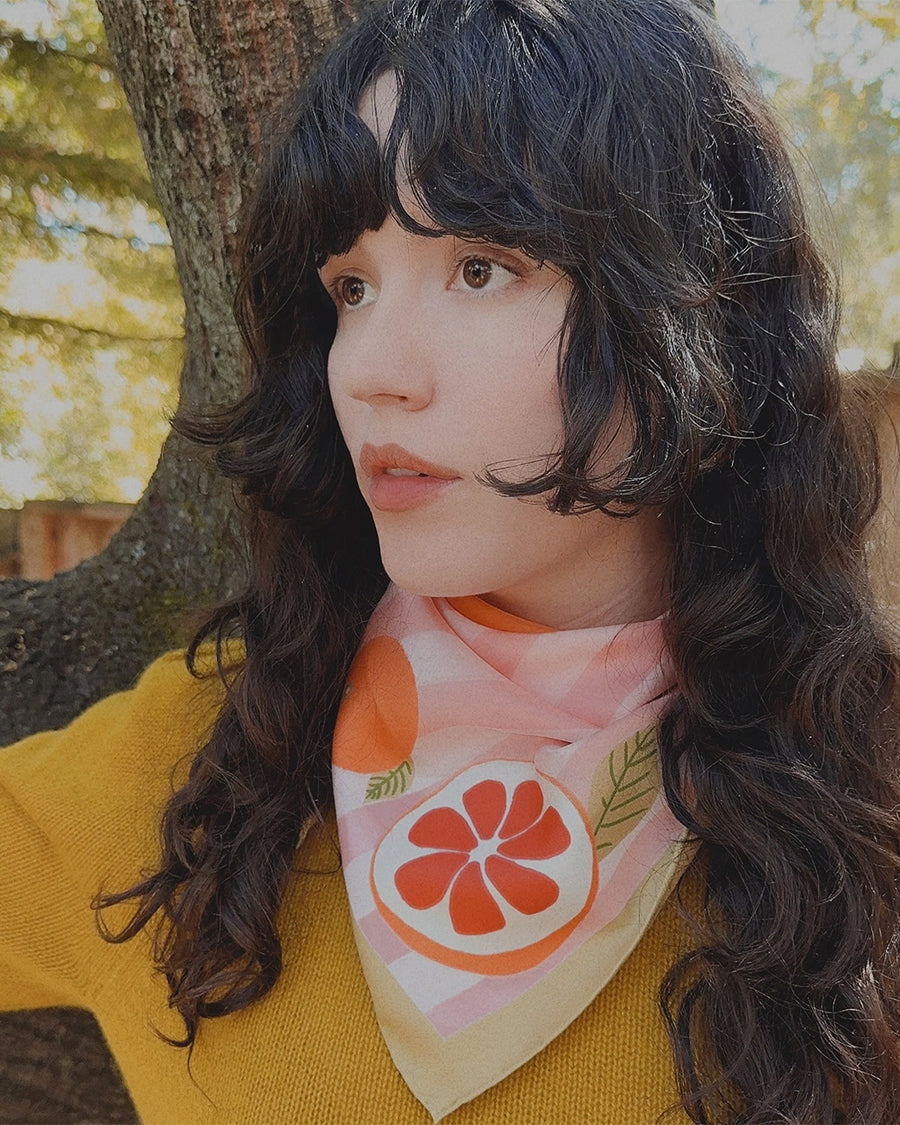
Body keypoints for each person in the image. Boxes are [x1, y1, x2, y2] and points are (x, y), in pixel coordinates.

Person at [3, 0, 900, 1122]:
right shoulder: (194, 773)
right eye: (350, 288)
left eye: (480, 267)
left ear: (696, 299)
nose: (372, 369)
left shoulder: (869, 785)